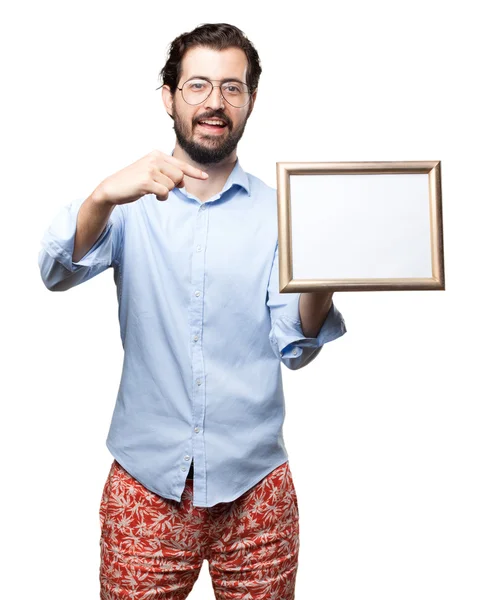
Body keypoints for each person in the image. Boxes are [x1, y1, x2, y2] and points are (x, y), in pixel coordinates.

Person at [38, 22, 347, 600]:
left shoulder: (282, 214)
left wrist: (322, 280)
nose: (215, 102)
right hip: (146, 482)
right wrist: (103, 194)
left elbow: (295, 347)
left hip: (256, 488)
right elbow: (56, 271)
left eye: (232, 88)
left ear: (251, 100)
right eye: (198, 85)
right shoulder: (127, 204)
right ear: (169, 96)